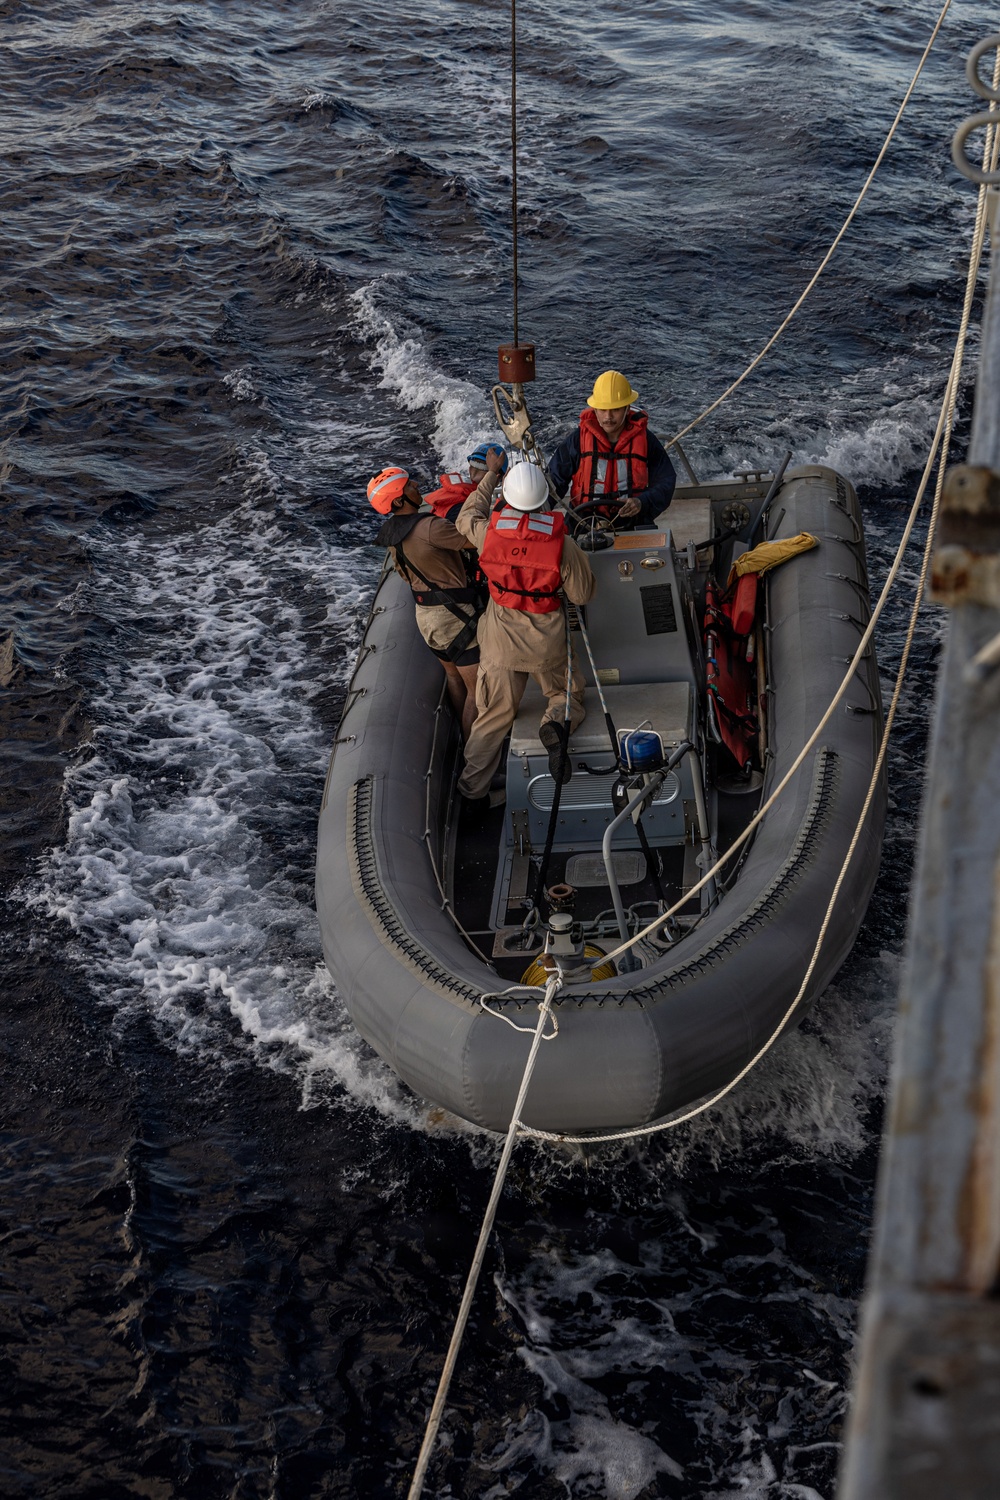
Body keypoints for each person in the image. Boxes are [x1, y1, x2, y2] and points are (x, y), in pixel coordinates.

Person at [454, 456, 597, 804]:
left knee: (493, 717)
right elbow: (582, 594)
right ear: (544, 497)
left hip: (501, 643)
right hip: (546, 644)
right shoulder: (562, 544)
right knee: (567, 695)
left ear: (509, 498)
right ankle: (554, 726)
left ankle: (471, 793)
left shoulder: (489, 533)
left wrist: (490, 476)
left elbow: (465, 518)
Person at [366, 464, 485, 739]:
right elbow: (475, 540)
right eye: (409, 485)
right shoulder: (429, 526)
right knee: (478, 691)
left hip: (427, 616)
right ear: (398, 500)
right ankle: (475, 754)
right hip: (454, 617)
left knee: (455, 679)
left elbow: (405, 576)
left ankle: (461, 741)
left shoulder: (393, 536)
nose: (417, 486)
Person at [548, 369, 676, 528]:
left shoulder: (646, 440)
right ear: (595, 410)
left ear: (627, 409)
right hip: (583, 523)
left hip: (632, 522)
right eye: (602, 410)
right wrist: (536, 510)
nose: (608, 417)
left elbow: (666, 480)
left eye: (615, 410)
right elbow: (554, 481)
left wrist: (642, 502)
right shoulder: (577, 440)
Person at [424, 443, 509, 523]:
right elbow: (485, 534)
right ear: (498, 478)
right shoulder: (464, 508)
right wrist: (503, 499)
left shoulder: (454, 494)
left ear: (470, 469)